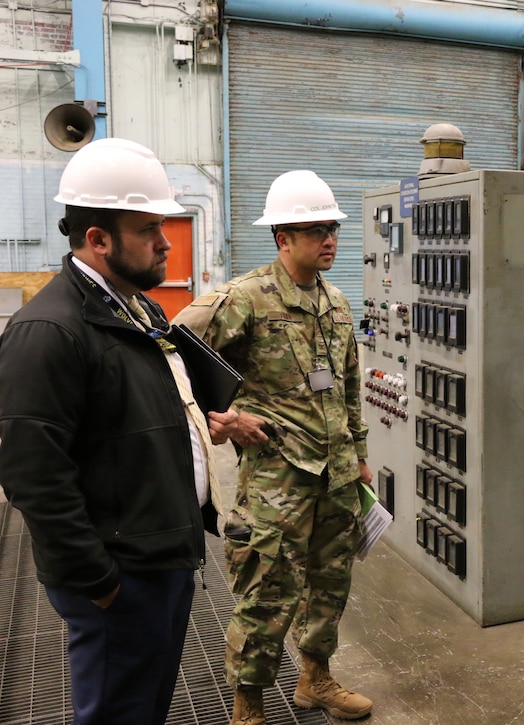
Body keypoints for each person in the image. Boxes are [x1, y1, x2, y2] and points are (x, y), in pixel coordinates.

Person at [0, 137, 238, 724]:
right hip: (120, 573)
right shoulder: (50, 331)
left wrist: (204, 417)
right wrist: (99, 582)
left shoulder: (138, 308)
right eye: (149, 229)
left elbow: (134, 405)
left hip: (164, 553)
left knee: (144, 705)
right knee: (116, 712)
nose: (164, 242)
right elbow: (31, 472)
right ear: (97, 240)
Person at [173, 169, 373, 725]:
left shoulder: (335, 302)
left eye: (331, 228)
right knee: (268, 593)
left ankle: (315, 679)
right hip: (276, 481)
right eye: (315, 231)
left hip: (334, 476)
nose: (329, 240)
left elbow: (349, 384)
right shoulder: (244, 298)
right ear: (283, 238)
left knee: (329, 585)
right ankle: (248, 706)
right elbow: (171, 354)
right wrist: (221, 419)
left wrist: (357, 455)